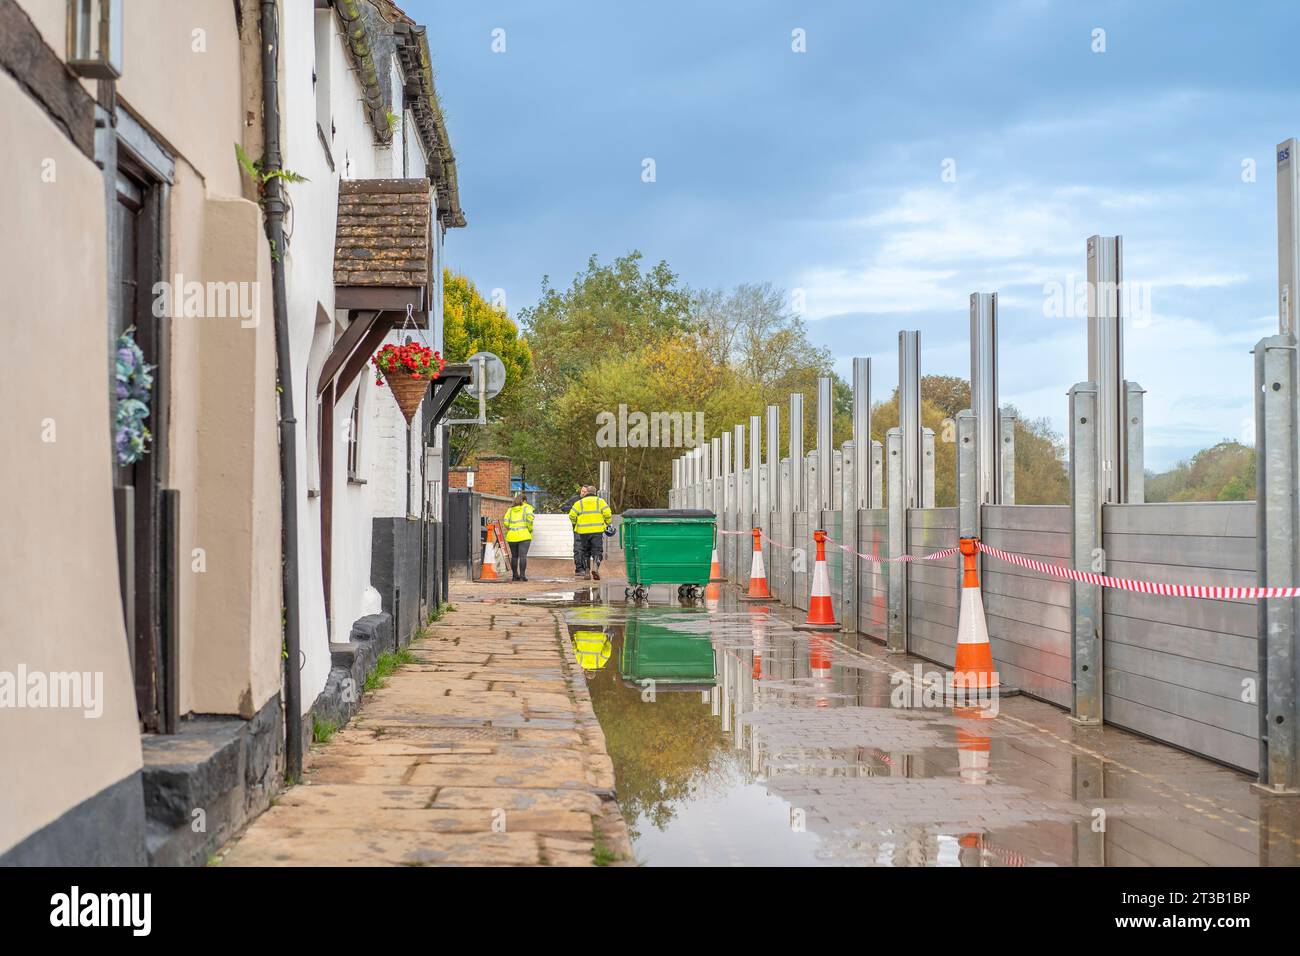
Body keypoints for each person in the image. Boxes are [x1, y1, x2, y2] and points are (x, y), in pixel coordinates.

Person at [568, 484, 613, 581]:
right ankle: (595, 568)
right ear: (595, 493)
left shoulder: (579, 503)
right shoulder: (600, 502)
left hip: (583, 532)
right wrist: (608, 523)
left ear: (587, 492)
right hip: (597, 531)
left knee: (585, 552)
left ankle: (587, 570)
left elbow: (572, 515)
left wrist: (576, 523)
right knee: (597, 551)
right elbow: (608, 513)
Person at [502, 492, 535, 581]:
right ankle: (522, 576)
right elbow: (530, 520)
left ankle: (514, 576)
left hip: (512, 536)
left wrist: (510, 528)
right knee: (523, 556)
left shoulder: (510, 510)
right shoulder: (527, 508)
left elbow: (505, 521)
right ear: (524, 500)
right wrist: (529, 529)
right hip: (524, 536)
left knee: (514, 556)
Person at [560, 485, 589, 574]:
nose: (583, 493)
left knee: (586, 548)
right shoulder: (575, 499)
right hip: (577, 527)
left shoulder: (590, 501)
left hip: (589, 528)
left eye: (585, 492)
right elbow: (563, 507)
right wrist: (574, 508)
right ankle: (579, 568)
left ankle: (586, 568)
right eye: (582, 491)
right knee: (578, 548)